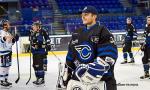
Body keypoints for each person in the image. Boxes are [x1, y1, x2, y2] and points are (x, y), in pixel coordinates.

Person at [62, 6, 118, 90]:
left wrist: (94, 70)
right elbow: (70, 56)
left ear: (94, 16)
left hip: (101, 81)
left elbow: (109, 54)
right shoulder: (77, 33)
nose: (83, 17)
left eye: (86, 14)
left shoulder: (102, 31)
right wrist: (67, 73)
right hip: (79, 81)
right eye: (82, 15)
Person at [29, 21, 51, 85]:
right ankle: (38, 78)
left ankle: (41, 79)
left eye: (34, 26)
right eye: (33, 26)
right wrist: (30, 46)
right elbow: (32, 41)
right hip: (34, 52)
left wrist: (48, 44)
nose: (33, 27)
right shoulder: (33, 33)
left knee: (40, 66)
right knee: (35, 65)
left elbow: (47, 39)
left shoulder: (43, 31)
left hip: (40, 52)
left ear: (38, 27)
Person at [0, 19, 19, 87]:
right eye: (8, 24)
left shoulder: (8, 33)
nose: (9, 25)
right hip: (3, 53)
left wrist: (15, 39)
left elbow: (11, 43)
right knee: (3, 67)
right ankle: (2, 81)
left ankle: (5, 80)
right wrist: (12, 37)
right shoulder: (1, 32)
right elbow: (3, 39)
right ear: (4, 25)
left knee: (7, 67)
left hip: (9, 52)